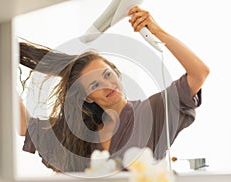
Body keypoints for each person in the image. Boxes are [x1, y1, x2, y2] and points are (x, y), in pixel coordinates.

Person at [18, 6, 209, 172]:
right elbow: (25, 126)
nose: (107, 85)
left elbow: (199, 73)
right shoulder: (82, 133)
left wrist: (158, 32)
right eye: (94, 85)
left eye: (108, 75)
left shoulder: (151, 112)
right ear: (89, 98)